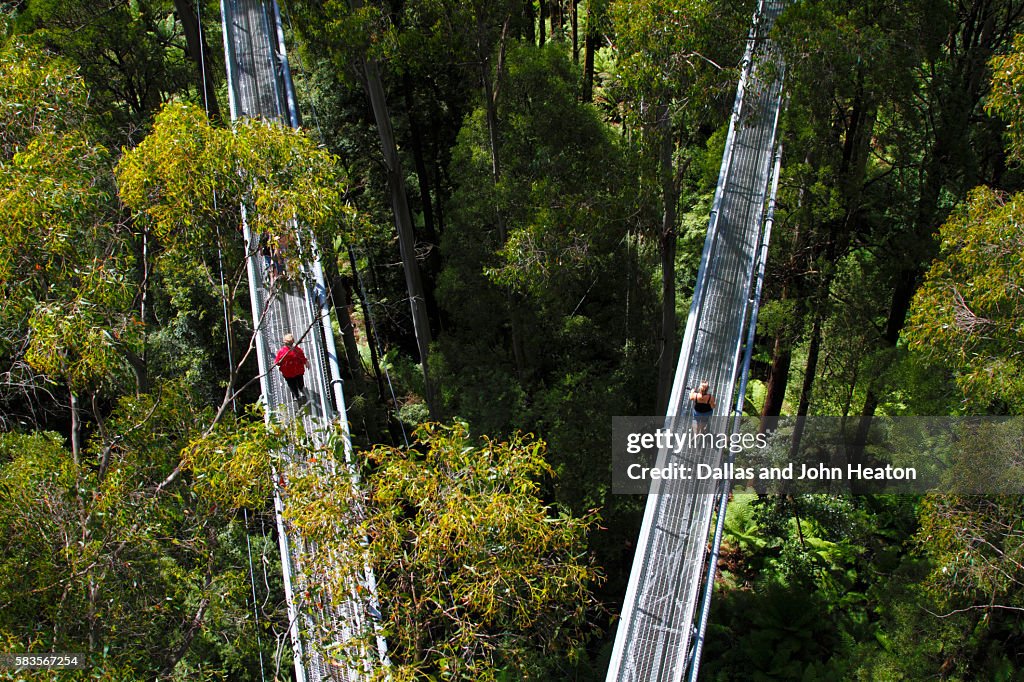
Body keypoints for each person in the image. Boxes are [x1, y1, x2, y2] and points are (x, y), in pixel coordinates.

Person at [274, 333, 309, 403]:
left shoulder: (284, 352)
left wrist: (306, 362)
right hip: (294, 372)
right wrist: (306, 363)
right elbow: (277, 362)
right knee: (296, 384)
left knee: (296, 384)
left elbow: (277, 363)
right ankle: (299, 393)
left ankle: (299, 393)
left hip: (292, 372)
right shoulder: (294, 350)